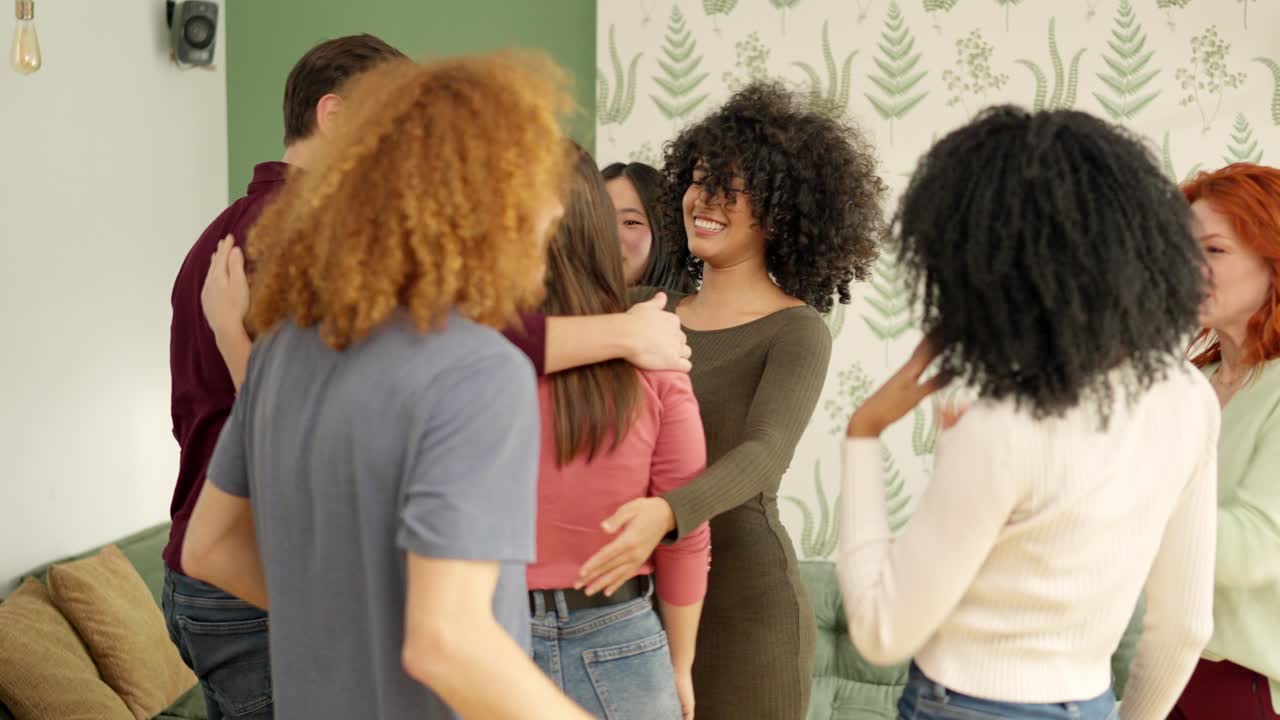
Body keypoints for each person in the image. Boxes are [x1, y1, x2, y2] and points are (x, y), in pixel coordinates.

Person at [169, 34, 689, 718]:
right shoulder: (478, 371)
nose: (556, 211)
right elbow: (449, 643)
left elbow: (207, 549)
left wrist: (357, 631)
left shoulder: (283, 348)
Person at [837, 107, 1220, 720]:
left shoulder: (1006, 424)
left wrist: (861, 436)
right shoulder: (1186, 394)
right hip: (1089, 701)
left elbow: (882, 632)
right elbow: (1184, 626)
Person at [577, 81, 887, 719]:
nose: (704, 198)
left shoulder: (796, 330)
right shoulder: (640, 314)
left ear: (780, 210)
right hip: (637, 601)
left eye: (733, 187)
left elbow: (764, 454)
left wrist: (665, 515)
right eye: (698, 178)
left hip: (750, 612)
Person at [528, 145, 710, 720]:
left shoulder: (467, 358)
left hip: (487, 633)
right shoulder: (655, 353)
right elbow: (688, 532)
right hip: (622, 638)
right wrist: (679, 666)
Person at [1172, 163, 1280, 720]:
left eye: (1213, 250)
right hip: (1173, 669)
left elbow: (1256, 551)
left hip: (1249, 690)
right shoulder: (1192, 385)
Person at [601, 161, 696, 292]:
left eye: (630, 222)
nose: (609, 237)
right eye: (600, 220)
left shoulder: (691, 310)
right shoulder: (570, 306)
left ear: (667, 233)